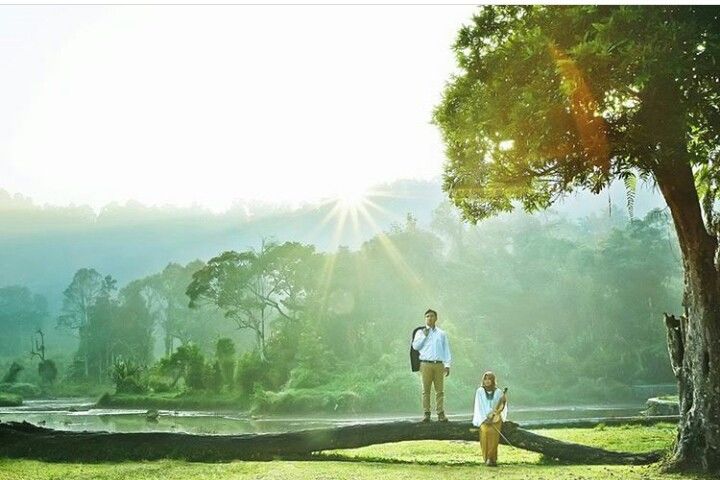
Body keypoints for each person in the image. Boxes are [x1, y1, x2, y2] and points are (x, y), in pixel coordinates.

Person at [411, 308, 452, 422]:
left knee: (440, 391)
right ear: (425, 319)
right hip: (425, 364)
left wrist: (447, 365)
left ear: (436, 318)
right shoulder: (420, 332)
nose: (429, 318)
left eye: (432, 316)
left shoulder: (441, 334)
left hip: (439, 364)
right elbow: (415, 347)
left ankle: (440, 413)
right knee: (426, 390)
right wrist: (424, 336)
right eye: (427, 316)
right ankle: (426, 413)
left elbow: (446, 350)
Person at [472, 371, 508, 466]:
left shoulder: (499, 392)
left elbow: (501, 407)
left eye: (489, 379)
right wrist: (485, 418)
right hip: (484, 419)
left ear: (493, 380)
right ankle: (487, 458)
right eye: (485, 379)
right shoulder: (479, 391)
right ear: (483, 380)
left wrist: (503, 403)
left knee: (494, 435)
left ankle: (491, 459)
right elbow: (478, 406)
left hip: (495, 419)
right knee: (485, 432)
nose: (487, 381)